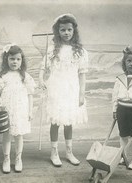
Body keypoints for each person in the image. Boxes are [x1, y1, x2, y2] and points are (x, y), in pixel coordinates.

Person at [38, 13, 89, 167]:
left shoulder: (80, 51)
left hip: (71, 89)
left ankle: (69, 152)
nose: (66, 33)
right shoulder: (52, 49)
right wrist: (41, 80)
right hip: (55, 87)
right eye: (62, 30)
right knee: (55, 121)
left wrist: (81, 94)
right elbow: (42, 67)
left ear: (74, 31)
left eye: (69, 30)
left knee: (69, 121)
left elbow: (82, 75)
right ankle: (54, 152)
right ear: (57, 32)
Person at [0, 44, 35, 173]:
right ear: (6, 60)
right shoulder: (2, 76)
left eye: (18, 59)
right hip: (7, 109)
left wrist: (30, 111)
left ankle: (18, 158)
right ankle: (6, 159)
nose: (15, 62)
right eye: (11, 59)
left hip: (21, 109)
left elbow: (30, 95)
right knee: (6, 135)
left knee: (19, 135)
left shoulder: (24, 76)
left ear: (22, 60)